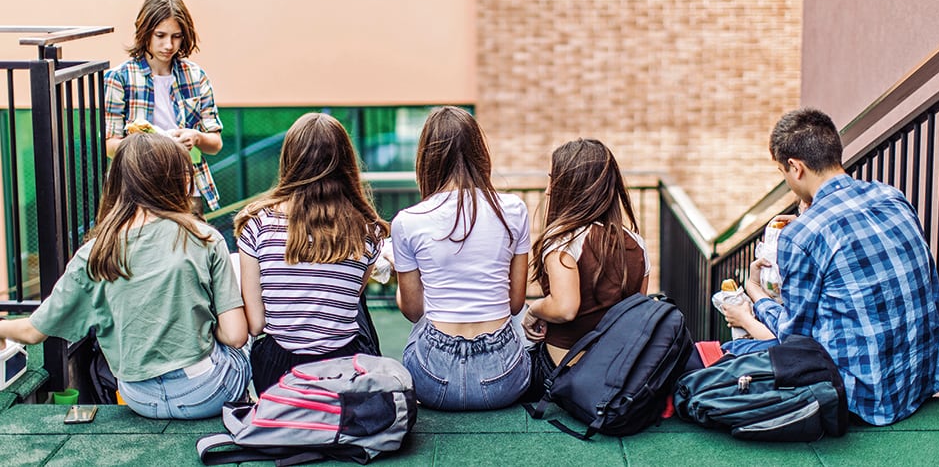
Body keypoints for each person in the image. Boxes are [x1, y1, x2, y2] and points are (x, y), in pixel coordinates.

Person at [0, 133, 250, 419]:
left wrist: (1, 327)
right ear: (177, 180)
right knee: (247, 339)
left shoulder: (94, 252)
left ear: (118, 181)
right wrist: (210, 323)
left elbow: (33, 331)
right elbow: (236, 335)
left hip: (140, 399)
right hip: (206, 392)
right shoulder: (205, 238)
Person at [738, 107, 939, 425]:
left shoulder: (802, 235)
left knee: (738, 348)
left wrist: (756, 297)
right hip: (917, 384)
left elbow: (795, 338)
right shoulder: (891, 196)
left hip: (862, 400)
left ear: (795, 168)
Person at [235, 113, 388, 394]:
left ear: (289, 160)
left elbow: (256, 325)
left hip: (277, 377)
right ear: (346, 163)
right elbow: (348, 300)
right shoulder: (369, 230)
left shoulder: (255, 222)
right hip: (343, 375)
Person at [391, 106, 531, 410]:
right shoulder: (514, 210)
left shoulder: (407, 221)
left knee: (421, 327)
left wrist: (402, 282)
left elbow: (414, 311)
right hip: (504, 380)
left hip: (432, 380)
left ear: (426, 159)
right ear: (480, 152)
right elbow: (516, 303)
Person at [520, 139, 650, 400]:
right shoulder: (637, 244)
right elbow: (638, 311)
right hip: (614, 374)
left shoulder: (563, 241)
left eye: (552, 180)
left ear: (571, 186)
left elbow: (565, 308)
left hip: (560, 373)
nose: (547, 191)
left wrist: (534, 309)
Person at [105, 0, 223, 216]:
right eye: (160, 35)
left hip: (187, 191)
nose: (168, 45)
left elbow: (215, 144)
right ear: (145, 33)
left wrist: (196, 137)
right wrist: (155, 146)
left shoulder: (196, 76)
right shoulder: (119, 78)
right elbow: (110, 145)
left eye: (176, 36)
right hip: (136, 193)